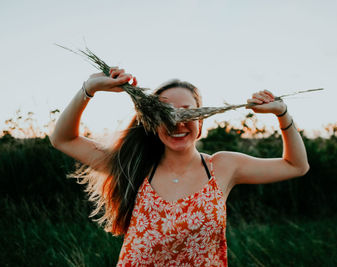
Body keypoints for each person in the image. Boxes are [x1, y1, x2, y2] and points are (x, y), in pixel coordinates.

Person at [50, 67, 309, 266]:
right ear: (152, 121)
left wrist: (282, 114)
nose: (177, 122)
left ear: (201, 120)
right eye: (166, 113)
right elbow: (62, 139)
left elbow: (296, 166)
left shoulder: (223, 166)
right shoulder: (133, 164)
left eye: (187, 112)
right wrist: (89, 88)